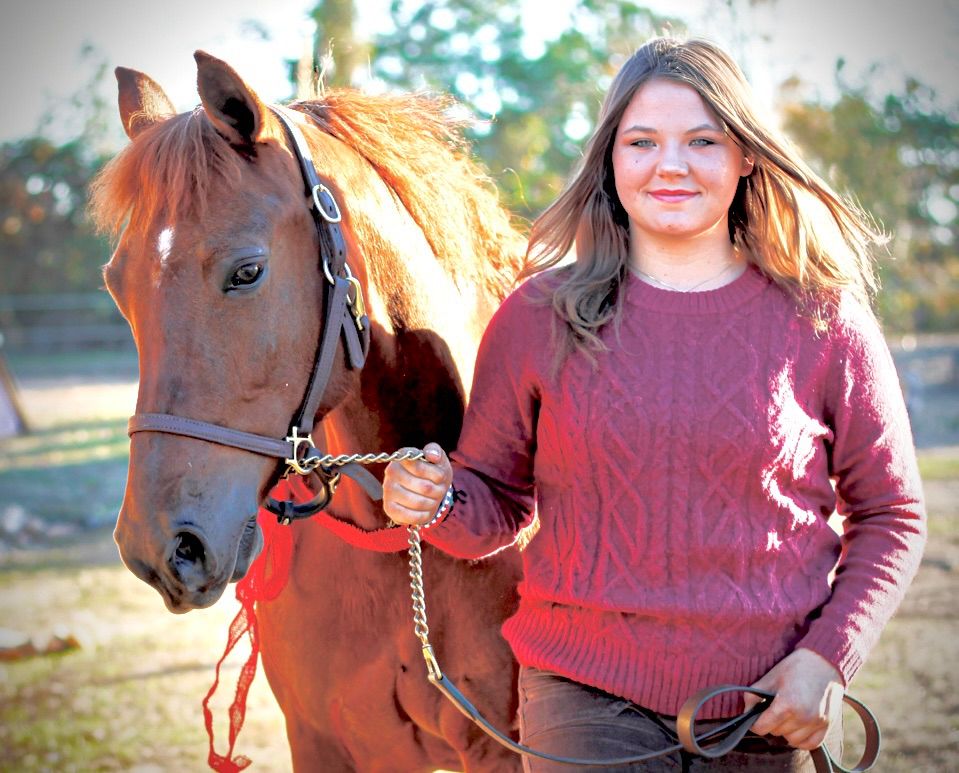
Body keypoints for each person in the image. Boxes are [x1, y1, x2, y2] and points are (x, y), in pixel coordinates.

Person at [383, 36, 926, 772]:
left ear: (746, 157)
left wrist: (826, 660)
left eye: (702, 140)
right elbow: (492, 507)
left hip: (768, 703)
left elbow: (892, 515)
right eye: (641, 141)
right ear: (610, 158)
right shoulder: (538, 315)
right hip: (582, 700)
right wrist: (435, 499)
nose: (670, 164)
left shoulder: (824, 321)